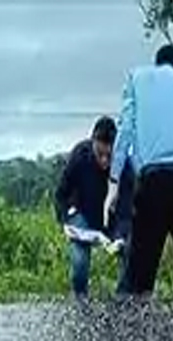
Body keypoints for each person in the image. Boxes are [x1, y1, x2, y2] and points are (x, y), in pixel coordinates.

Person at [103, 43, 173, 296]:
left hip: (154, 181)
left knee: (141, 270)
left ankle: (132, 328)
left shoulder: (138, 78)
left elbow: (126, 130)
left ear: (157, 63)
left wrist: (114, 182)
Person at [54, 116, 136, 299]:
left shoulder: (125, 166)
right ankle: (80, 299)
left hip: (114, 219)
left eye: (109, 155)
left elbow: (127, 209)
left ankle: (122, 300)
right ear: (92, 143)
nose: (105, 161)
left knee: (132, 248)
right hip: (83, 214)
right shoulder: (79, 155)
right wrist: (64, 219)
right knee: (80, 260)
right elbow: (61, 194)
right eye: (100, 154)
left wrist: (120, 237)